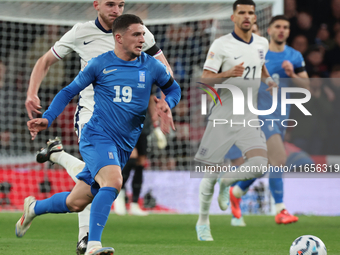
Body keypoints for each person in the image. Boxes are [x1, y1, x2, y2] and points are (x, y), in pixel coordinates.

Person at [16, 14, 181, 255]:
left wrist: (169, 104)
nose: (142, 39)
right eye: (136, 35)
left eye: (143, 35)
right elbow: (67, 91)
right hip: (96, 135)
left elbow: (173, 88)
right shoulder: (99, 64)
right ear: (119, 38)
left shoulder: (151, 65)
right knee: (114, 181)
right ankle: (92, 245)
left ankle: (34, 208)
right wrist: (48, 118)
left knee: (76, 201)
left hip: (124, 144)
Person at [194, 0, 277, 241]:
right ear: (233, 17)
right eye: (242, 12)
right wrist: (226, 74)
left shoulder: (262, 43)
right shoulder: (221, 45)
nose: (247, 16)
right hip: (222, 117)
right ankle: (202, 222)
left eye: (251, 13)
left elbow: (259, 66)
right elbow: (205, 80)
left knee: (261, 164)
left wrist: (269, 81)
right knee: (208, 176)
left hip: (248, 116)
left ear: (254, 17)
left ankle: (226, 182)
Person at [227, 15, 310, 227]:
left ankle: (236, 192)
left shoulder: (295, 56)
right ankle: (280, 209)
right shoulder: (258, 53)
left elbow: (306, 88)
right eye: (277, 27)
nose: (281, 30)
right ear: (270, 30)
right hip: (260, 114)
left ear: (289, 31)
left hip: (282, 117)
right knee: (279, 158)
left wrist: (293, 74)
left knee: (265, 165)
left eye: (285, 27)